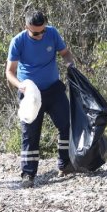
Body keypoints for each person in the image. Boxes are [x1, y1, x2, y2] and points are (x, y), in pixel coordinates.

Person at [5, 11, 77, 188]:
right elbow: (9, 72)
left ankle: (65, 163)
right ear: (26, 27)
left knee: (66, 123)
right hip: (30, 93)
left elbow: (66, 53)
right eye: (35, 33)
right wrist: (19, 85)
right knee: (30, 133)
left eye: (42, 31)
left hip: (53, 88)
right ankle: (28, 174)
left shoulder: (52, 33)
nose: (40, 35)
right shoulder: (18, 41)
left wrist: (70, 64)